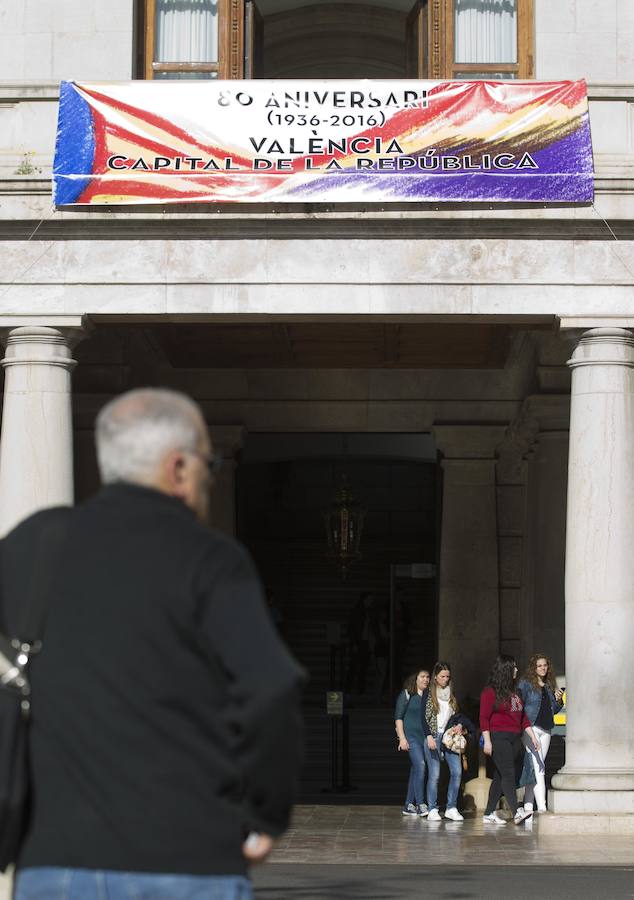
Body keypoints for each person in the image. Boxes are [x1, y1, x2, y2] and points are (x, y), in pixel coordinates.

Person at [1, 388, 305, 900]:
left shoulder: (33, 544)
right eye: (209, 463)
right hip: (187, 858)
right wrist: (266, 816)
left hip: (56, 859)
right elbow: (270, 688)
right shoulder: (212, 560)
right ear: (180, 467)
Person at [480, 654, 540, 826]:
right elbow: (484, 718)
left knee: (500, 776)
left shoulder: (516, 692)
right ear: (505, 670)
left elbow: (523, 719)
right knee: (508, 774)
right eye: (513, 667)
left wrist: (533, 737)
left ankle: (488, 813)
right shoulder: (489, 692)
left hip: (515, 739)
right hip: (499, 737)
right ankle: (517, 812)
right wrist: (487, 741)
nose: (516, 670)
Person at [422, 661, 475, 822]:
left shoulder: (451, 694)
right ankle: (432, 808)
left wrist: (459, 725)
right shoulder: (428, 694)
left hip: (448, 737)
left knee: (457, 771)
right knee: (435, 774)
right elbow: (423, 718)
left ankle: (451, 807)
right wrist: (429, 736)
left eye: (448, 676)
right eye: (442, 676)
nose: (445, 679)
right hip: (433, 736)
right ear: (436, 678)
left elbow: (456, 715)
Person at [517, 653, 564, 813]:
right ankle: (542, 807)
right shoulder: (525, 684)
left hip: (547, 730)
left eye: (545, 665)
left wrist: (559, 700)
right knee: (539, 767)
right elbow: (519, 706)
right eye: (539, 666)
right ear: (533, 668)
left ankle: (528, 805)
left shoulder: (549, 685)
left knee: (534, 767)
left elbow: (554, 711)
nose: (543, 668)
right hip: (531, 728)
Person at [394, 670, 431, 817]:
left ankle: (408, 805)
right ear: (415, 679)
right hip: (411, 737)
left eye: (428, 677)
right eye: (422, 676)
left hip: (424, 738)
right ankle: (421, 803)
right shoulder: (407, 694)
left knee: (416, 769)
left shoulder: (429, 696)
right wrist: (402, 738)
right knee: (421, 765)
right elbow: (398, 717)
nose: (426, 679)